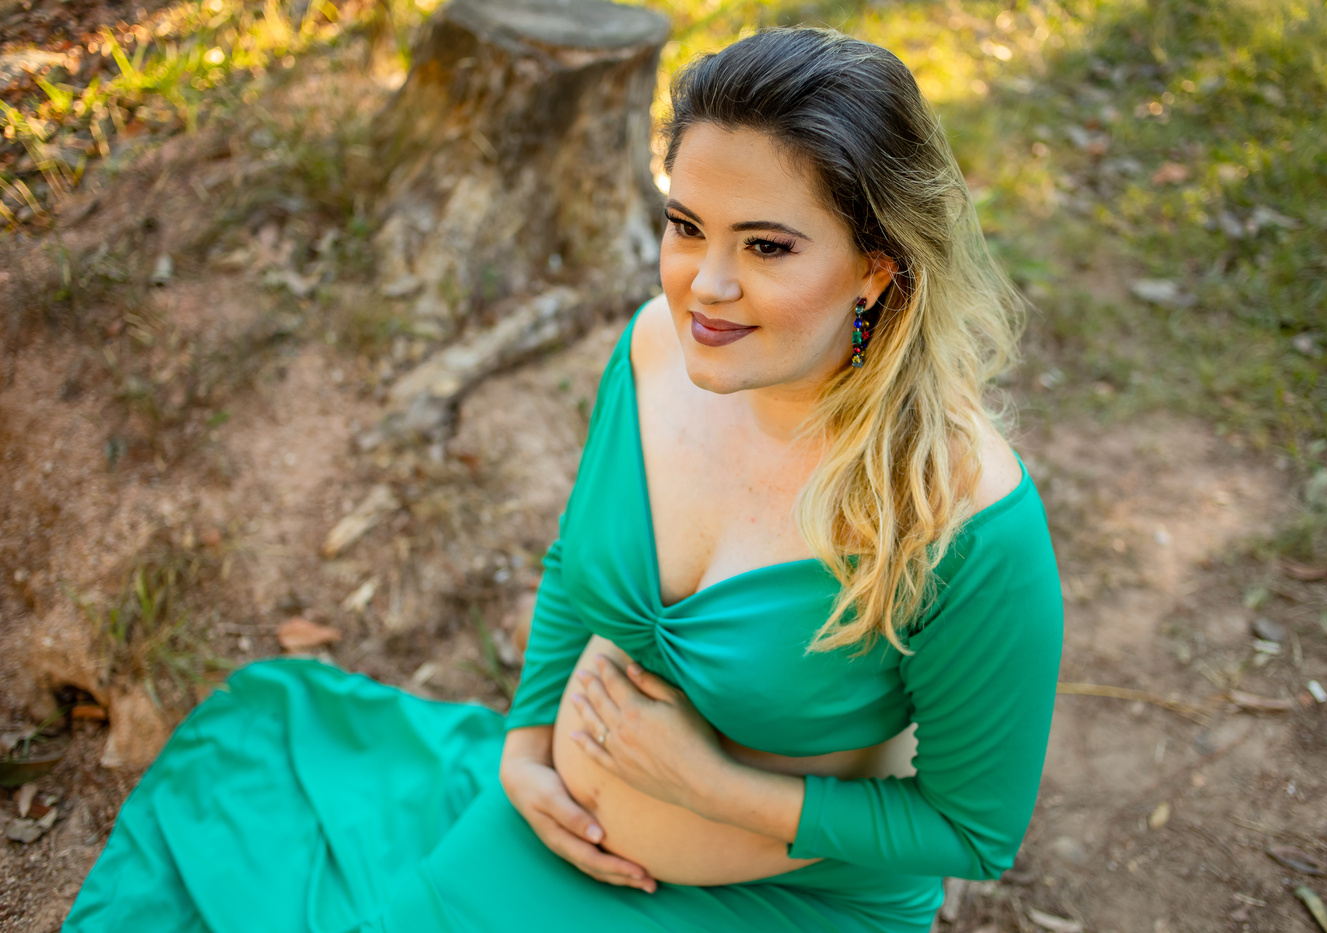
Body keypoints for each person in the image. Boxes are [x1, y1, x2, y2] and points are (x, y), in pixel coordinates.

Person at [63, 27, 1061, 933]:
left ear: (876, 267)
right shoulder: (656, 350)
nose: (706, 286)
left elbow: (971, 832)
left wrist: (706, 785)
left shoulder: (967, 518)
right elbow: (576, 570)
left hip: (792, 901)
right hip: (553, 825)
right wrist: (525, 746)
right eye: (686, 225)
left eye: (765, 245)